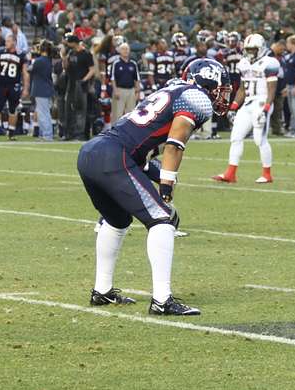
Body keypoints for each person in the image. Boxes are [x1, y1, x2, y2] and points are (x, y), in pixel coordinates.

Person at [77, 58, 230, 316]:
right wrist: (167, 185)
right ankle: (162, 300)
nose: (221, 94)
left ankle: (102, 290)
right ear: (207, 81)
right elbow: (174, 145)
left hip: (93, 152)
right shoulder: (196, 97)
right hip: (115, 155)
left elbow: (142, 148)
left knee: (116, 220)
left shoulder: (169, 90)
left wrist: (157, 173)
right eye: (220, 87)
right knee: (162, 219)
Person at [213, 34, 279, 184]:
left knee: (259, 139)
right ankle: (230, 174)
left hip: (262, 102)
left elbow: (272, 88)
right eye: (248, 49)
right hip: (248, 103)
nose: (250, 52)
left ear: (261, 49)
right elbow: (242, 89)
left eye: (253, 49)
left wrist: (267, 108)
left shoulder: (269, 62)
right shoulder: (243, 63)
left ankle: (267, 174)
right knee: (235, 137)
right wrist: (233, 107)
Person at [0, 33, 29, 140]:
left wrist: (25, 88)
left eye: (8, 41)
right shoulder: (0, 52)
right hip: (1, 84)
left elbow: (25, 73)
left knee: (13, 109)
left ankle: (11, 132)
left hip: (14, 85)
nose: (5, 43)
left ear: (14, 42)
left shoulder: (21, 54)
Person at [62, 35, 95, 140]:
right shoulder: (71, 53)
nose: (68, 45)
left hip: (81, 84)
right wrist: (64, 58)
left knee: (80, 109)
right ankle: (69, 133)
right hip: (70, 83)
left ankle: (80, 133)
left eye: (69, 43)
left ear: (74, 43)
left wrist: (84, 80)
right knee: (68, 108)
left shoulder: (86, 54)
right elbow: (66, 67)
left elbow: (92, 70)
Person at [30, 41, 55, 141]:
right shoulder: (48, 60)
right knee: (45, 112)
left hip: (41, 89)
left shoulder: (39, 61)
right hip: (46, 88)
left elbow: (31, 69)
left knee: (42, 113)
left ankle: (47, 135)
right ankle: (45, 133)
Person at [109, 43, 140, 123]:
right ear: (119, 51)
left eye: (127, 49)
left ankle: (129, 133)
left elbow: (137, 79)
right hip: (119, 90)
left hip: (131, 90)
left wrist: (137, 92)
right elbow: (112, 78)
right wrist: (115, 90)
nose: (125, 51)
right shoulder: (116, 63)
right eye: (123, 49)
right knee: (117, 114)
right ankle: (114, 133)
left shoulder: (133, 63)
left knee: (131, 114)